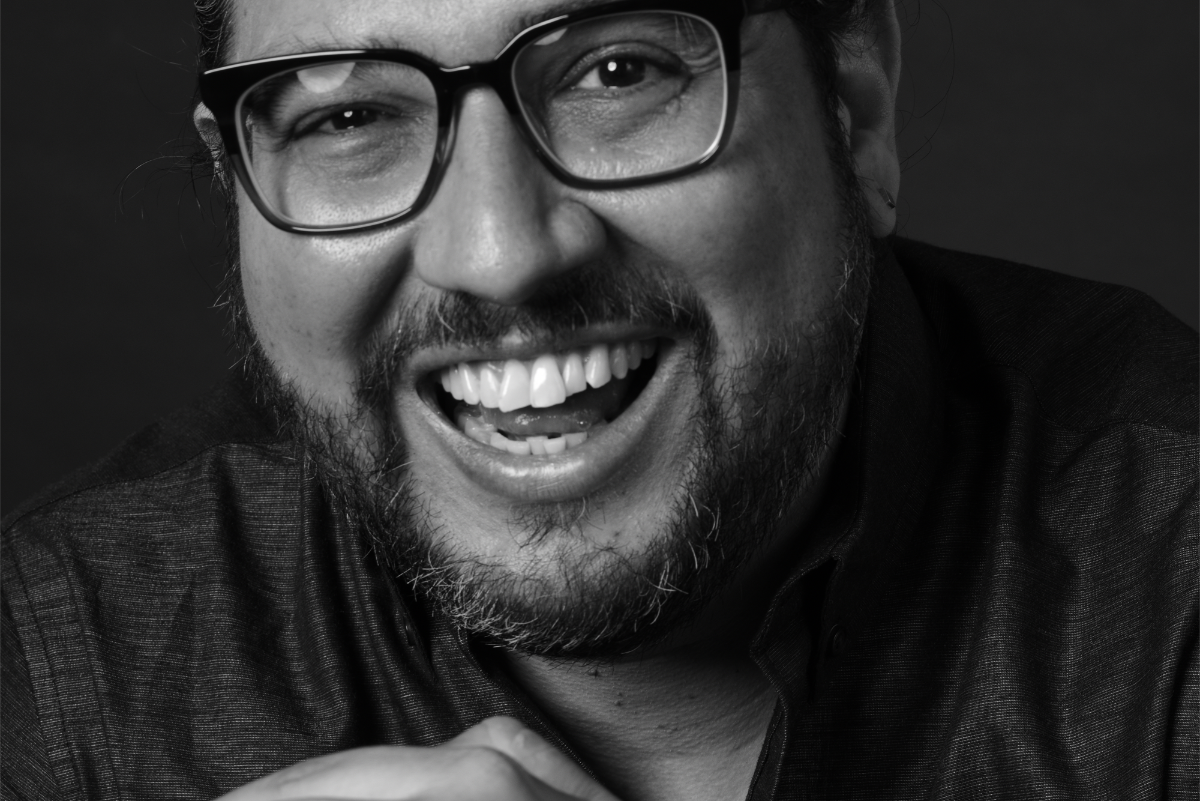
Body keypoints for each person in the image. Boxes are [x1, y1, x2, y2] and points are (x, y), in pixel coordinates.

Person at [2, 0, 1195, 798]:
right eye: (349, 119)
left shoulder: (1172, 565)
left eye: (619, 71)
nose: (500, 253)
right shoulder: (66, 658)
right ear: (236, 184)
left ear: (856, 102)